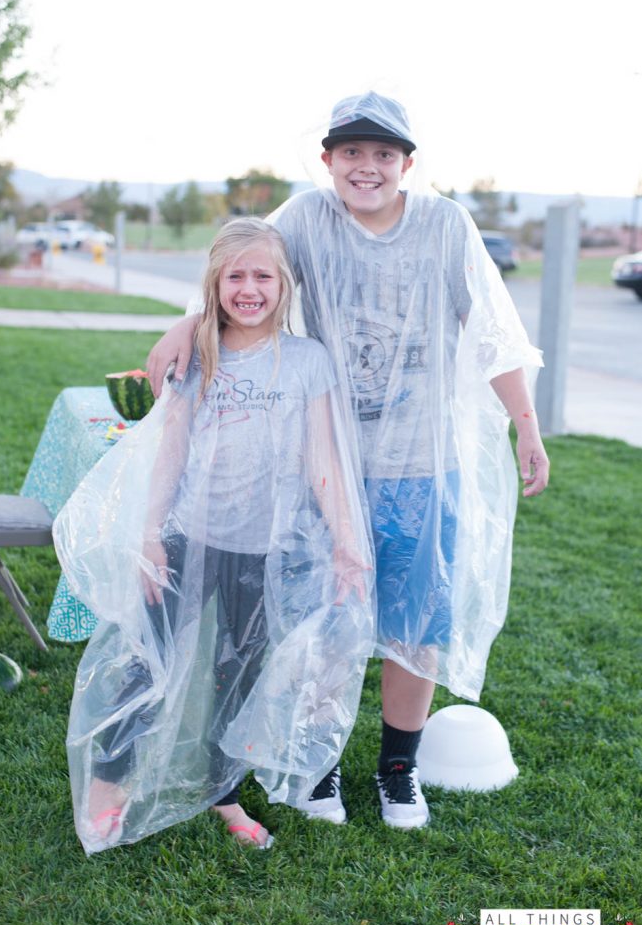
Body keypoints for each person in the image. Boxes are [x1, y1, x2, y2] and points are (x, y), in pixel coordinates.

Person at [147, 91, 550, 831]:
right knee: (326, 619)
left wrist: (525, 425)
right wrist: (188, 321)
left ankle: (398, 770)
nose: (367, 167)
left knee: (414, 623)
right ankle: (318, 762)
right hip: (322, 463)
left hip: (420, 465)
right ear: (328, 159)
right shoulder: (303, 218)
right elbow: (242, 268)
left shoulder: (442, 225)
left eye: (383, 155)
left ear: (406, 165)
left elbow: (492, 332)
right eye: (352, 153)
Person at [54, 218, 373, 854]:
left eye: (263, 276)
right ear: (215, 283)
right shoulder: (197, 354)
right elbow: (171, 448)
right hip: (185, 539)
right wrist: (149, 534)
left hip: (264, 553)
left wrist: (345, 542)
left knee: (238, 675)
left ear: (284, 285)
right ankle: (108, 791)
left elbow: (323, 461)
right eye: (236, 276)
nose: (249, 288)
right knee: (147, 663)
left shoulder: (308, 362)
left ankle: (221, 793)